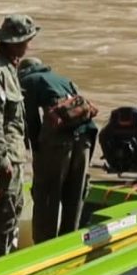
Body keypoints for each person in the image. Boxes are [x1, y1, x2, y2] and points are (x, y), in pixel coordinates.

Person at [18, 57, 99, 244]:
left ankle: (44, 247)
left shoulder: (28, 81)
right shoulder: (62, 79)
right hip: (86, 138)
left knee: (46, 194)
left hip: (58, 143)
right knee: (75, 193)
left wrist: (36, 149)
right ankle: (69, 243)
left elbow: (30, 119)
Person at [0, 14, 39, 262]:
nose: (28, 46)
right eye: (24, 41)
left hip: (15, 158)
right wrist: (1, 160)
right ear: (11, 43)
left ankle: (5, 264)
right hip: (4, 161)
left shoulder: (10, 68)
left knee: (12, 215)